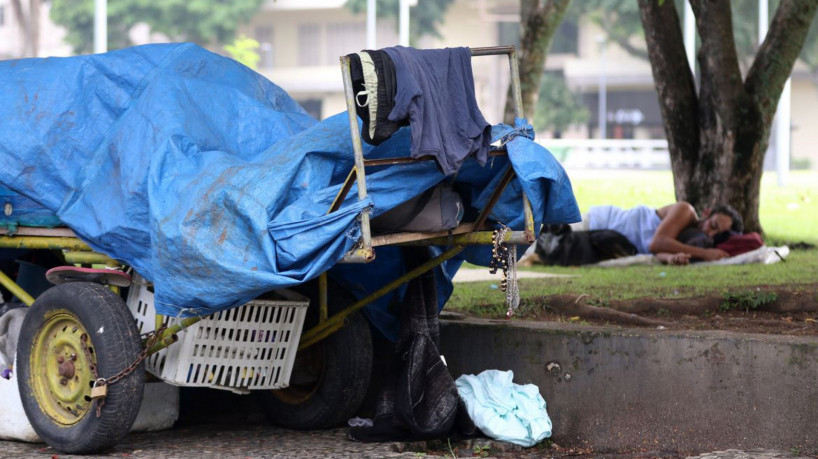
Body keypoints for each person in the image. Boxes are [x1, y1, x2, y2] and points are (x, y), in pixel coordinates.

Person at [580, 202, 743, 265]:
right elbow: (657, 243)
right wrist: (705, 254)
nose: (709, 232)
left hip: (605, 241)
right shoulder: (686, 211)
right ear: (707, 212)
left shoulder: (691, 241)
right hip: (602, 221)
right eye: (712, 225)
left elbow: (659, 251)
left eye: (717, 234)